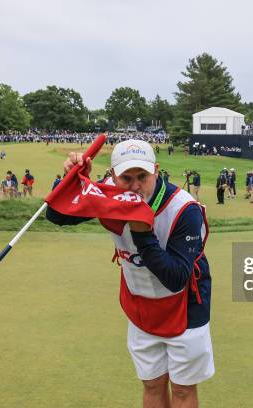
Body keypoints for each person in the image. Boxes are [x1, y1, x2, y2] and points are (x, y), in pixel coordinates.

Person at [47, 139, 214, 407]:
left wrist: (141, 232)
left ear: (156, 171)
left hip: (186, 308)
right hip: (139, 303)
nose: (135, 186)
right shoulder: (109, 196)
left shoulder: (185, 209)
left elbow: (176, 279)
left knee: (182, 390)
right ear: (112, 175)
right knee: (151, 384)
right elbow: (57, 216)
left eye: (142, 177)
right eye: (126, 177)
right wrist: (70, 181)